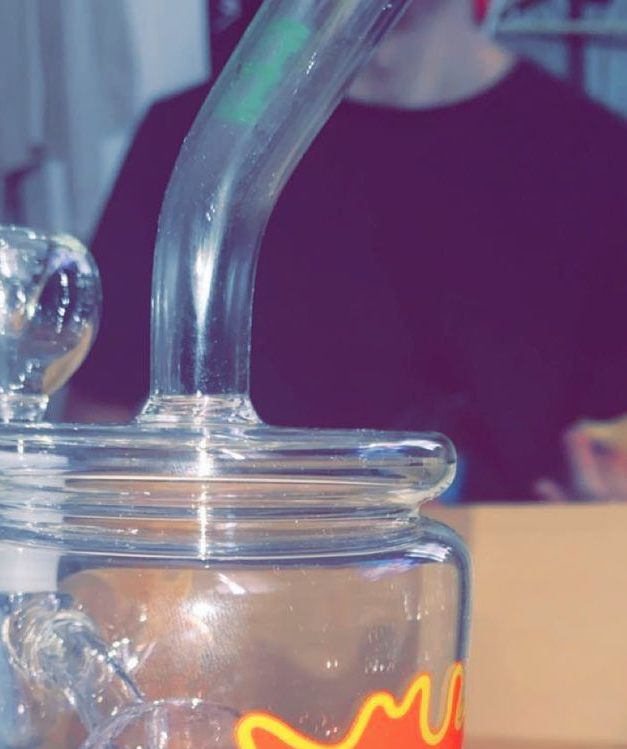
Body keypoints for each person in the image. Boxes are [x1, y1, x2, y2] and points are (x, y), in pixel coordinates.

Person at [71, 0, 627, 502]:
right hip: (256, 556)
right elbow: (101, 426)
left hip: (510, 563)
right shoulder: (199, 151)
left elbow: (610, 439)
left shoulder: (597, 157)